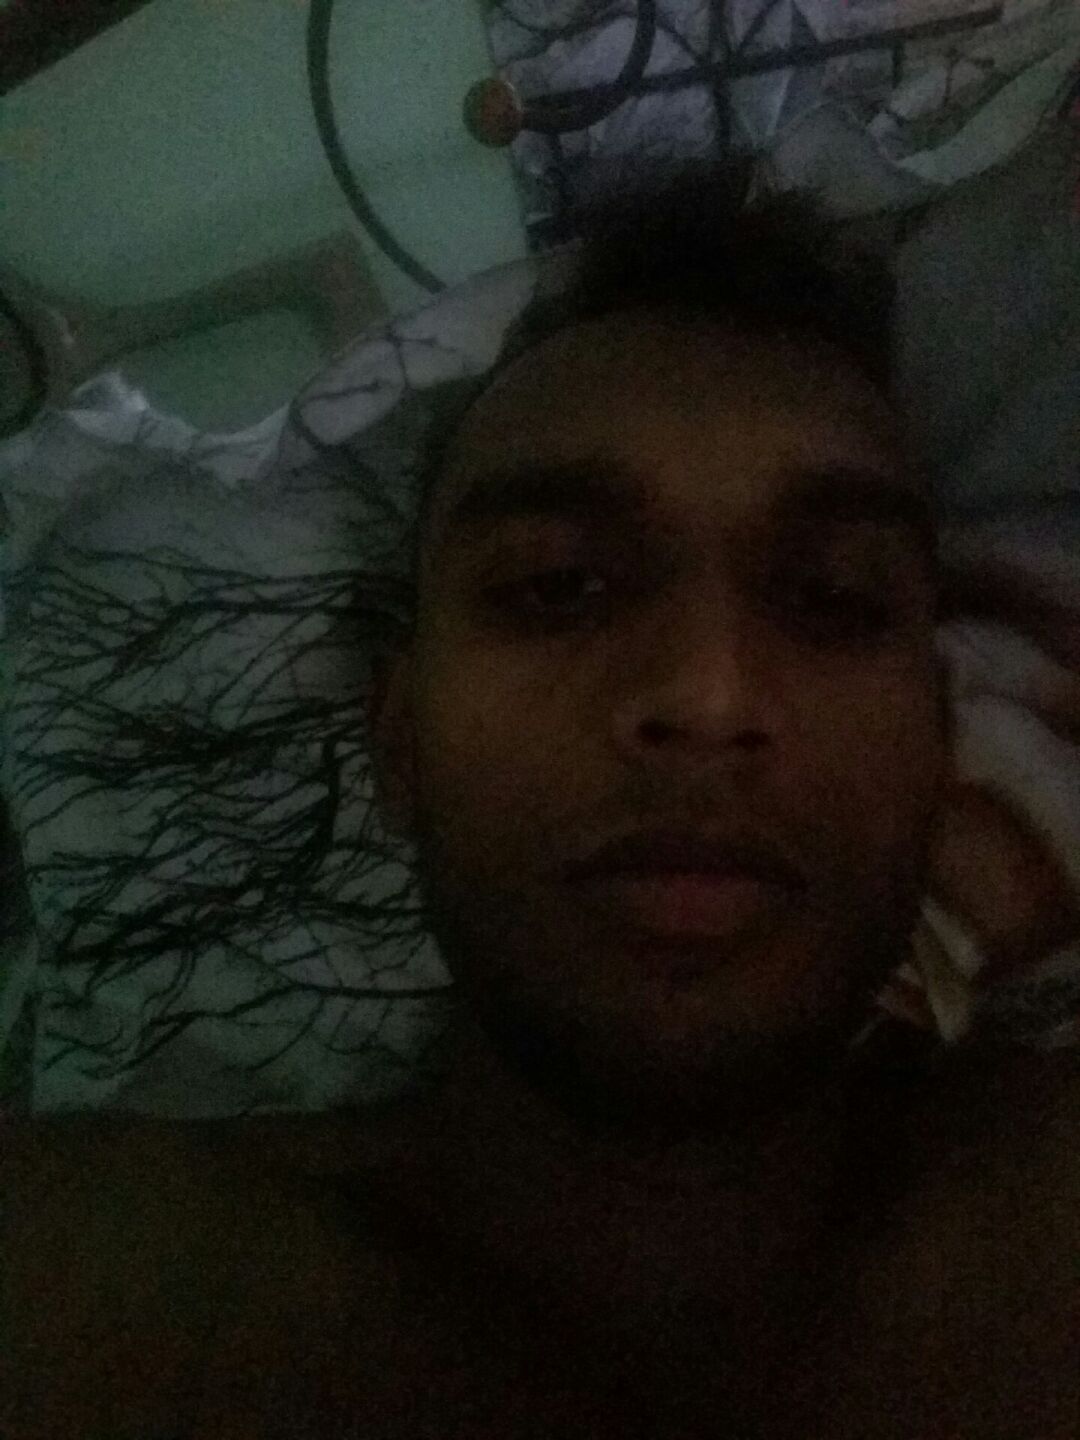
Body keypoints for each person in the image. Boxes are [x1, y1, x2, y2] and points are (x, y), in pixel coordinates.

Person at [3, 170, 1079, 1440]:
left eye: (835, 599)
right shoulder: (73, 1295)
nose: (709, 692)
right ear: (398, 743)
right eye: (558, 587)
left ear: (940, 740)